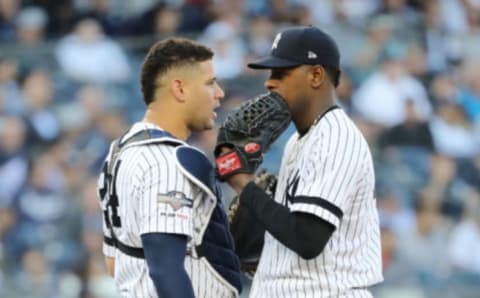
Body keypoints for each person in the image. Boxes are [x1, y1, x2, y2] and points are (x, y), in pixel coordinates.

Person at [222, 26, 383, 297]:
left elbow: (308, 239)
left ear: (316, 75)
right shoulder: (300, 140)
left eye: (281, 73)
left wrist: (245, 187)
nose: (269, 82)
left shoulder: (337, 139)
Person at [97, 37, 242, 298]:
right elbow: (165, 271)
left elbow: (113, 263)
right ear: (180, 89)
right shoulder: (166, 161)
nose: (219, 92)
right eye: (210, 83)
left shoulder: (118, 151)